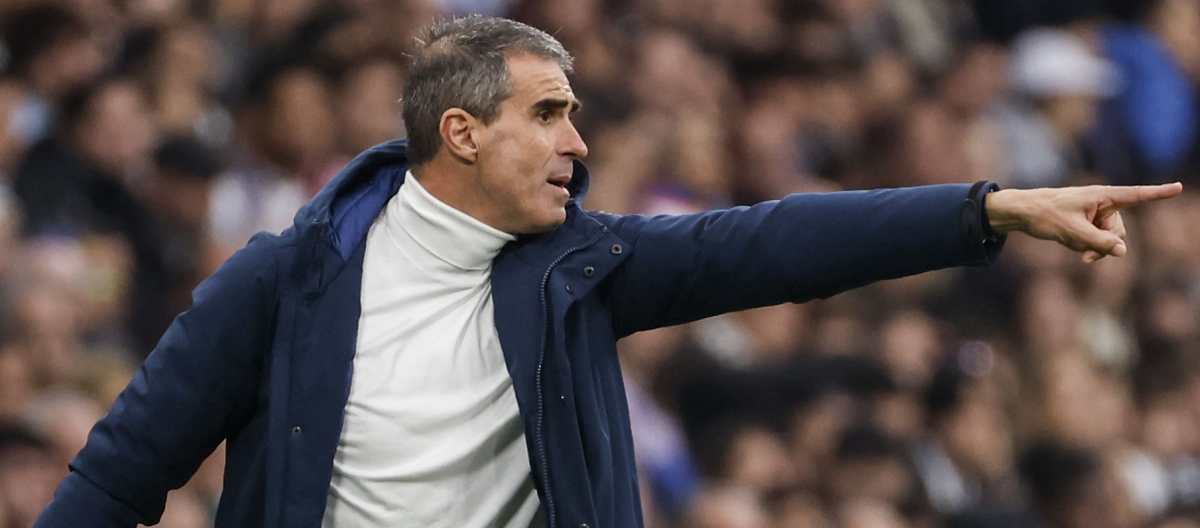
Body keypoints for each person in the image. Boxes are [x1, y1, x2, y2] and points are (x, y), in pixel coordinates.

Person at [33, 15, 1182, 528]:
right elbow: (118, 477)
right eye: (550, 113)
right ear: (462, 135)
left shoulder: (584, 269)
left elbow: (773, 243)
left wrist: (981, 210)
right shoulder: (283, 282)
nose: (580, 142)